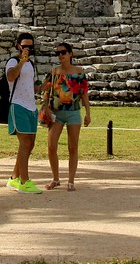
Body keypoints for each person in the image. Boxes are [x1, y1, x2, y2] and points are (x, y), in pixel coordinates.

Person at [41, 42, 91, 191]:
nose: (60, 56)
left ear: (71, 54)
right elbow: (46, 91)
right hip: (56, 112)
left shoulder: (79, 72)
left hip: (73, 112)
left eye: (63, 52)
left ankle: (71, 180)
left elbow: (84, 93)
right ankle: (55, 178)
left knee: (73, 146)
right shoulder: (54, 71)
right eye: (58, 53)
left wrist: (88, 112)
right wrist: (45, 107)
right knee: (51, 145)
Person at [5, 32, 42, 194]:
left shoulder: (31, 64)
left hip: (31, 107)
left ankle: (14, 177)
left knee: (30, 143)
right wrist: (22, 61)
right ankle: (24, 181)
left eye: (30, 46)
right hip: (18, 105)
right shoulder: (13, 62)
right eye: (24, 45)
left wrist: (43, 87)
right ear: (18, 46)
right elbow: (11, 77)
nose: (27, 48)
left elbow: (29, 85)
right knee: (24, 143)